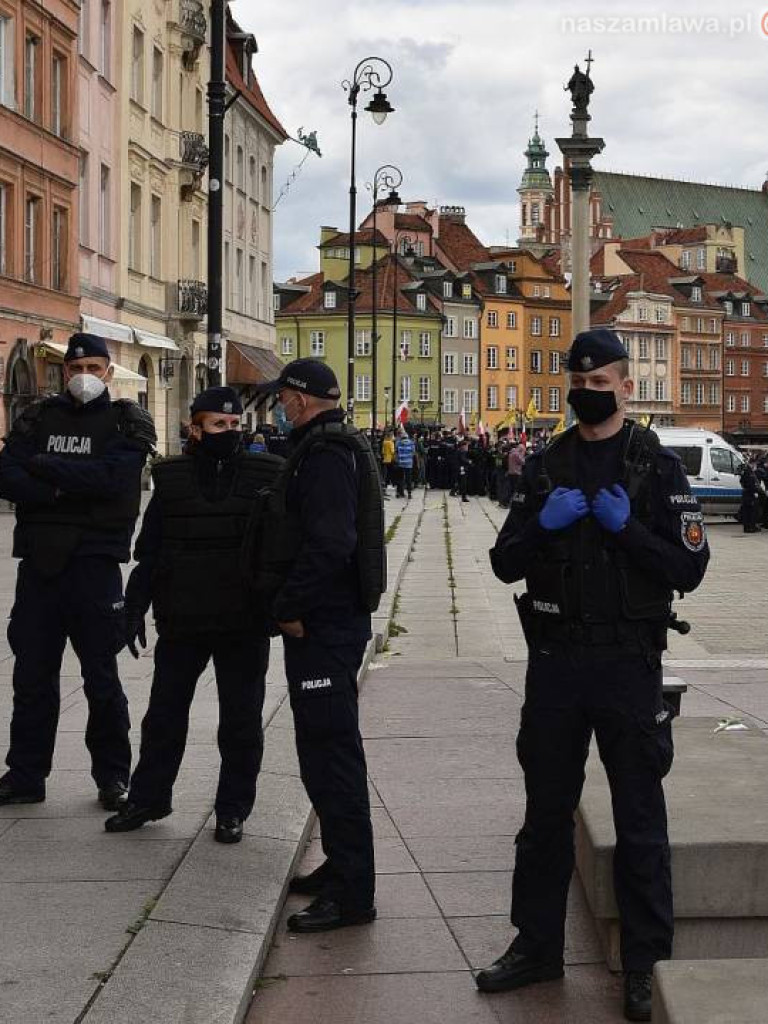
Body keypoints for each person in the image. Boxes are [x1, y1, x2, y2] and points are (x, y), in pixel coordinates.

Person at [481, 329, 709, 1023]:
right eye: (578, 382)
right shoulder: (547, 464)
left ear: (624, 387)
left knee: (640, 816)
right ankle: (536, 945)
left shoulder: (654, 466)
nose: (588, 392)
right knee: (544, 813)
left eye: (601, 384)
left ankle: (645, 963)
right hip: (555, 664)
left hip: (626, 666)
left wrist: (626, 530)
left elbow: (688, 570)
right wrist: (543, 526)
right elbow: (504, 561)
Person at [104, 387, 282, 843]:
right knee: (163, 715)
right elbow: (150, 551)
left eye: (235, 425)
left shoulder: (267, 473)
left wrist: (281, 605)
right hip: (183, 616)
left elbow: (280, 549)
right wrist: (134, 605)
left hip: (243, 620)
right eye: (218, 425)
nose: (229, 432)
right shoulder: (171, 477)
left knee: (241, 721)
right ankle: (148, 798)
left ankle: (232, 809)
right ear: (195, 429)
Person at [252, 358, 385, 933]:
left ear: (300, 400)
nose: (280, 409)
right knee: (321, 748)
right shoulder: (329, 444)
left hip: (324, 623)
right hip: (326, 620)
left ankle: (353, 892)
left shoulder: (326, 453)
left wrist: (290, 605)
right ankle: (340, 862)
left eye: (283, 399)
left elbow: (331, 542)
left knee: (333, 754)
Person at [0, 333, 155, 810]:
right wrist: (63, 492)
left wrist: (46, 469)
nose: (83, 374)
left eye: (93, 365)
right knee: (31, 676)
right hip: (41, 566)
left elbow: (115, 481)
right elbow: (7, 475)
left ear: (109, 370)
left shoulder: (127, 421)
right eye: (75, 367)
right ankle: (26, 774)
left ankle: (113, 778)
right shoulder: (38, 417)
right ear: (64, 372)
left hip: (94, 566)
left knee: (101, 678)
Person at [739, 459, 761, 533]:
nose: (755, 466)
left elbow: (741, 481)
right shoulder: (749, 472)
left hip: (746, 494)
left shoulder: (746, 471)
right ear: (752, 464)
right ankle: (751, 528)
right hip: (750, 494)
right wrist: (755, 492)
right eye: (754, 464)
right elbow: (750, 484)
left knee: (747, 512)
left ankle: (747, 527)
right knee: (751, 512)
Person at [395, 428, 415, 498]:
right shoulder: (411, 443)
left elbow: (396, 452)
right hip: (408, 463)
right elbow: (413, 453)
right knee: (408, 479)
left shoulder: (398, 443)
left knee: (400, 478)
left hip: (400, 463)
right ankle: (409, 493)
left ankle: (399, 492)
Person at [381, 429, 396, 493]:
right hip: (390, 459)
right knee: (391, 472)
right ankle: (392, 483)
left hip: (385, 459)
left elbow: (383, 451)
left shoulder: (384, 442)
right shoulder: (391, 442)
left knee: (387, 472)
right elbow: (392, 451)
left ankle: (386, 484)